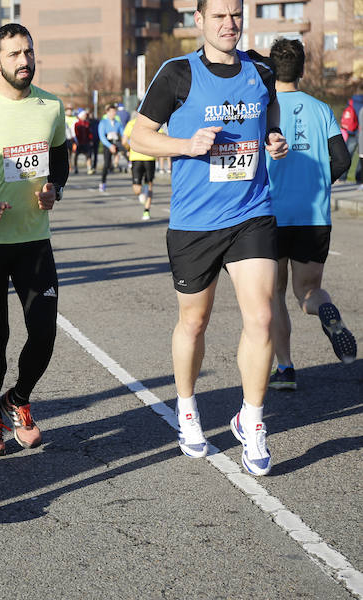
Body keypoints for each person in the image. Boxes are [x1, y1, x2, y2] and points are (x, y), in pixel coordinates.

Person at [129, 0, 288, 476]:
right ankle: (187, 407)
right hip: (195, 223)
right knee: (194, 323)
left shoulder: (260, 69)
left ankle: (253, 420)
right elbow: (138, 137)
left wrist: (274, 138)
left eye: (235, 14)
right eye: (218, 15)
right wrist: (185, 145)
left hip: (251, 213)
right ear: (198, 22)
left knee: (261, 316)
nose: (228, 23)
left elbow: (270, 113)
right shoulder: (176, 74)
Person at [0, 24, 69, 456]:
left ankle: (16, 399)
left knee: (43, 333)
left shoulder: (51, 106)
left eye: (29, 52)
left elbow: (60, 160)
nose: (25, 61)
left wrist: (55, 188)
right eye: (15, 54)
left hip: (34, 241)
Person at [263, 38, 355, 391]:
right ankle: (326, 312)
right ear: (302, 70)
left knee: (275, 295)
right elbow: (343, 160)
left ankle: (285, 369)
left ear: (272, 70)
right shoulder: (321, 110)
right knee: (308, 293)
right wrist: (319, 184)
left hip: (269, 215)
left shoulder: (265, 110)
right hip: (313, 216)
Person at [122, 112, 157, 220]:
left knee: (150, 184)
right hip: (136, 158)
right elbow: (124, 141)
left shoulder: (153, 124)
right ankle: (142, 192)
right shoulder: (131, 124)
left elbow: (161, 136)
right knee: (136, 189)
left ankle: (146, 210)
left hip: (149, 158)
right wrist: (129, 148)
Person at [97, 103, 124, 192]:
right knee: (106, 164)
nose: (113, 113)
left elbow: (123, 134)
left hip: (116, 142)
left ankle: (130, 163)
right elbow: (102, 137)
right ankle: (103, 182)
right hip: (107, 144)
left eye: (114, 111)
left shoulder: (117, 123)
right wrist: (109, 146)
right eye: (111, 111)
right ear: (107, 112)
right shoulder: (103, 122)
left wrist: (129, 143)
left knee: (126, 151)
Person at [73, 109, 96, 174]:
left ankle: (89, 168)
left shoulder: (87, 123)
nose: (85, 116)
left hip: (86, 142)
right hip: (79, 143)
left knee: (88, 156)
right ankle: (75, 168)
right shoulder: (77, 124)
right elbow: (75, 133)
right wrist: (76, 141)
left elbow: (89, 133)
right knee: (76, 156)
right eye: (84, 115)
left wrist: (90, 140)